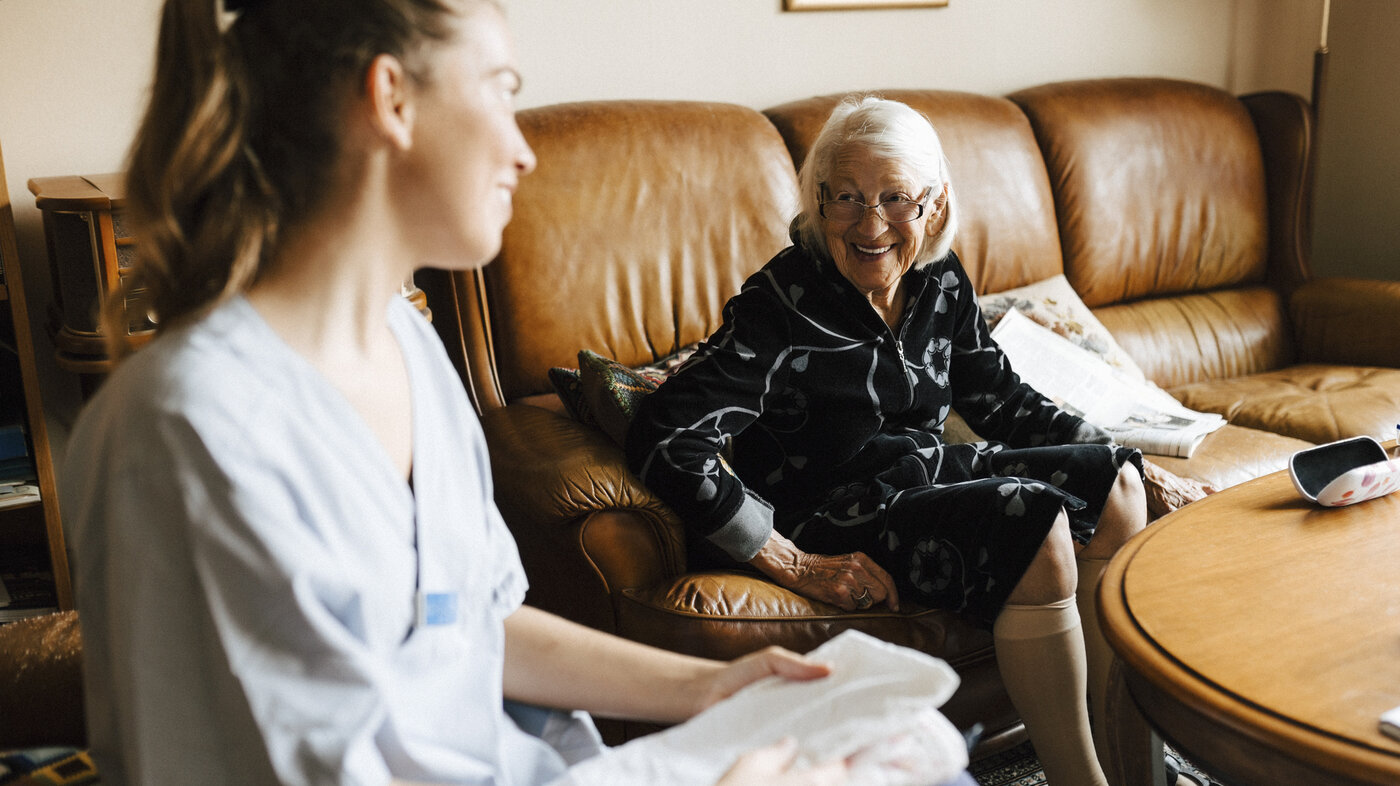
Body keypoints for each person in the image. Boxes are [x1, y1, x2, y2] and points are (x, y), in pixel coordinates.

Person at [60, 2, 972, 784]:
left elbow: (476, 624)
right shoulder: (192, 434)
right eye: (501, 91)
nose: (522, 151)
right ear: (392, 100)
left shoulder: (407, 347)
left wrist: (714, 687)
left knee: (911, 740)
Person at [627, 96, 1150, 786]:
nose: (870, 224)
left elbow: (1001, 401)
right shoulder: (778, 303)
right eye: (845, 197)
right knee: (1036, 521)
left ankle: (1138, 768)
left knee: (1119, 483)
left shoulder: (940, 279)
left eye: (895, 198)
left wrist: (1135, 459)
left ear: (933, 204)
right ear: (818, 201)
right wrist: (792, 560)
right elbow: (665, 434)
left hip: (927, 479)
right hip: (836, 513)